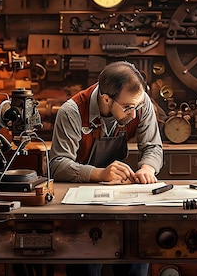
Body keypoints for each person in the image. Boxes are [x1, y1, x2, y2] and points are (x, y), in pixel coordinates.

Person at [49, 60, 163, 276]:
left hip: (123, 195)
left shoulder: (139, 102)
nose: (134, 113)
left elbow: (153, 146)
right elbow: (57, 164)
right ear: (106, 99)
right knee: (87, 263)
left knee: (136, 255)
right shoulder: (72, 111)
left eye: (137, 107)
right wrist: (99, 174)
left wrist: (148, 168)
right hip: (80, 201)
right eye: (128, 108)